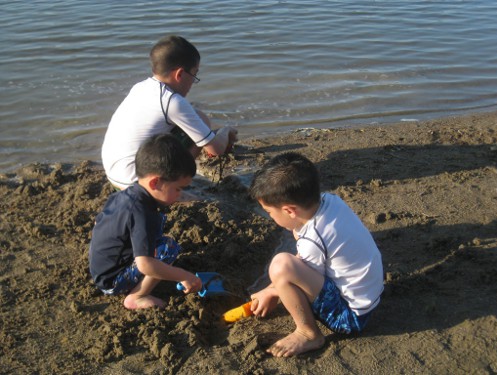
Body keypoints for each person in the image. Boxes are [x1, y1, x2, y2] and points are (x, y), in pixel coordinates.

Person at [248, 152, 384, 357]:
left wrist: (271, 291)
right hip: (369, 295)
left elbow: (293, 274)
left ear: (290, 210)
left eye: (270, 212)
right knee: (295, 240)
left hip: (351, 317)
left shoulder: (314, 239)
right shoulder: (330, 201)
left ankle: (308, 333)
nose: (270, 216)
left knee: (281, 265)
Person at [101, 35, 238, 190]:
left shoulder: (141, 87)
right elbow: (216, 149)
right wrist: (225, 131)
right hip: (139, 185)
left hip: (115, 175)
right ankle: (177, 183)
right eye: (194, 75)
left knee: (196, 118)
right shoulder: (172, 101)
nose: (193, 82)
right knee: (202, 122)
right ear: (179, 74)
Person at [89, 134, 203, 310]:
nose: (179, 195)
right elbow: (145, 264)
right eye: (177, 189)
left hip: (102, 270)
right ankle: (137, 296)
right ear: (155, 182)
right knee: (167, 249)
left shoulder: (124, 195)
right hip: (113, 281)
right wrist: (184, 276)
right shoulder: (141, 212)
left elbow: (99, 223)